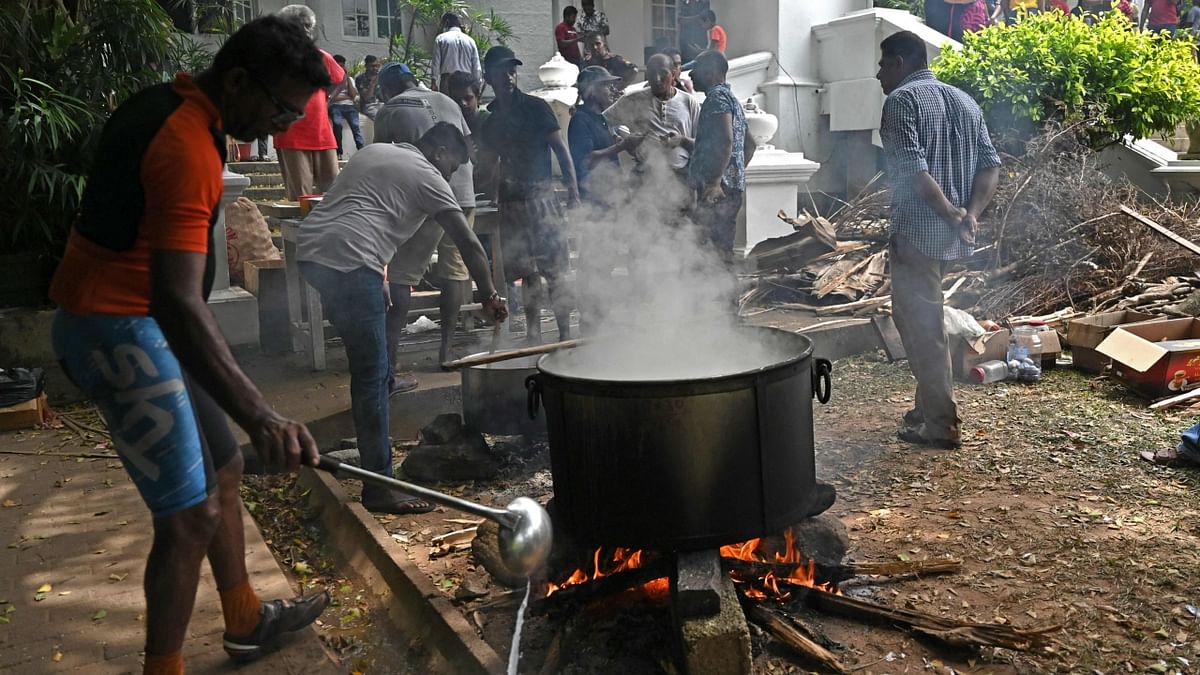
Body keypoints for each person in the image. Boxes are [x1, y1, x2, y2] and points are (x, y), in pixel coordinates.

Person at [48, 16, 330, 675]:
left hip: (142, 321)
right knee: (188, 517)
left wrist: (250, 415)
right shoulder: (185, 146)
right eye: (282, 106)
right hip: (115, 328)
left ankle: (245, 620)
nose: (284, 125)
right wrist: (262, 412)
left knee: (224, 468)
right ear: (236, 81)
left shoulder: (179, 105)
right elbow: (175, 300)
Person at [298, 125, 508, 514]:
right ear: (441, 150)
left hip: (314, 253)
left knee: (372, 365)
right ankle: (379, 485)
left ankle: (383, 396)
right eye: (453, 167)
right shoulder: (428, 175)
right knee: (371, 376)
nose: (449, 176)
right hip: (348, 259)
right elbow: (468, 243)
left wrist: (377, 271)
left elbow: (363, 210)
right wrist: (490, 295)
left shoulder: (375, 151)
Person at [876, 30, 1001, 449]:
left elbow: (913, 169)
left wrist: (950, 212)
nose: (878, 74)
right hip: (951, 238)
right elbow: (990, 166)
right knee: (928, 320)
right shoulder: (964, 100)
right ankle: (925, 409)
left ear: (898, 63)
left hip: (917, 234)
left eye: (882, 64)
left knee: (921, 327)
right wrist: (970, 215)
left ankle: (941, 424)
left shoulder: (900, 102)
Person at [372, 63, 481, 368]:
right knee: (454, 271)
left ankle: (390, 359)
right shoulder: (446, 99)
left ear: (387, 89)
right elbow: (467, 146)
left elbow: (380, 158)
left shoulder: (390, 108)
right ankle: (447, 351)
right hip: (463, 192)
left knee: (402, 276)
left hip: (426, 194)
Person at [481, 45, 580, 343]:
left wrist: (573, 190)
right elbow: (486, 165)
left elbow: (561, 151)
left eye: (512, 70)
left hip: (542, 199)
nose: (508, 76)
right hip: (511, 201)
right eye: (501, 71)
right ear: (489, 76)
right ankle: (533, 334)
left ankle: (564, 333)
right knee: (527, 271)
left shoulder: (537, 108)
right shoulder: (492, 121)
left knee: (555, 268)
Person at [688, 50, 755, 270]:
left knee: (710, 254)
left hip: (715, 193)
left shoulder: (716, 98)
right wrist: (734, 174)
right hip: (730, 191)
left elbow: (726, 139)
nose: (690, 74)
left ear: (710, 71)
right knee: (722, 252)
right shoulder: (732, 99)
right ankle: (725, 302)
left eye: (695, 69)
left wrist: (716, 181)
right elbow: (750, 144)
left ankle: (718, 303)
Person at [271, 5, 342, 200]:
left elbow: (339, 79)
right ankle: (301, 231)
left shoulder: (322, 57)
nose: (305, 30)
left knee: (333, 192)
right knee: (301, 196)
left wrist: (327, 100)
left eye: (307, 26)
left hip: (322, 133)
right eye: (298, 25)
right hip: (291, 133)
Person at [605, 53, 700, 182]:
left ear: (673, 74)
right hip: (645, 178)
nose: (657, 79)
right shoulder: (632, 100)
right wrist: (620, 141)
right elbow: (602, 123)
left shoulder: (689, 102)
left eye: (663, 73)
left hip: (681, 179)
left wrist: (682, 140)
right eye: (651, 73)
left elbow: (702, 143)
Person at [431, 12, 481, 92]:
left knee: (448, 104)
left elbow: (436, 63)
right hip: (466, 81)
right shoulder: (470, 40)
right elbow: (476, 66)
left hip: (447, 81)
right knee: (464, 104)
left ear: (446, 22)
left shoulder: (441, 39)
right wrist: (477, 84)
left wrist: (434, 81)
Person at [328, 54, 365, 157]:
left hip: (350, 107)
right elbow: (331, 97)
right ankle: (339, 152)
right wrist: (346, 97)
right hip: (335, 107)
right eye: (338, 66)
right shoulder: (330, 80)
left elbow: (353, 95)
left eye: (342, 66)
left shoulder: (350, 79)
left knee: (355, 126)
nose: (340, 68)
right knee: (337, 124)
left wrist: (347, 78)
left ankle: (361, 150)